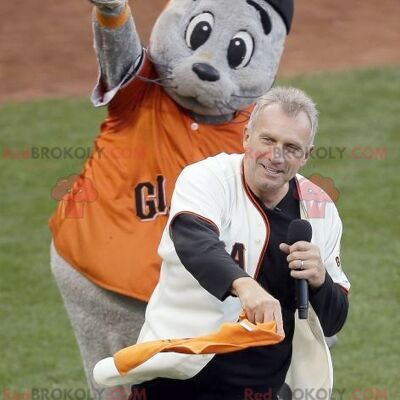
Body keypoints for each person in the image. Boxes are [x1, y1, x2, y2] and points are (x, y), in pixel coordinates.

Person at [96, 86, 350, 399]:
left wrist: (320, 282)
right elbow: (195, 242)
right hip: (173, 377)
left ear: (307, 155)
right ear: (246, 136)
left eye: (292, 147)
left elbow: (333, 320)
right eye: (267, 140)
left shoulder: (319, 209)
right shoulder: (207, 178)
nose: (276, 156)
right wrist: (246, 287)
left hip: (260, 389)